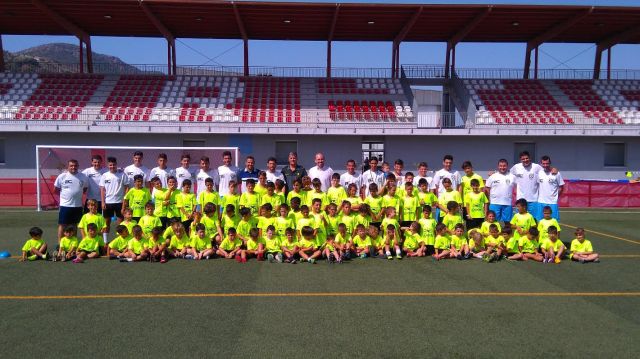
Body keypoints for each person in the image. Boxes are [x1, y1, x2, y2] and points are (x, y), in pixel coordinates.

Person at [54, 159, 88, 242]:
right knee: (62, 225)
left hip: (77, 206)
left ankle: (73, 244)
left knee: (74, 225)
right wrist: (65, 197)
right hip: (65, 206)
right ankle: (60, 244)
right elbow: (55, 190)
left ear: (78, 166)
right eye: (71, 166)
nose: (73, 167)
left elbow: (84, 189)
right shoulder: (62, 176)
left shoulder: (83, 176)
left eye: (75, 165)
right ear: (68, 166)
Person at [100, 156, 129, 242]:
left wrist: (125, 200)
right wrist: (103, 202)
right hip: (108, 203)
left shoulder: (122, 174)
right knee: (106, 224)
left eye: (114, 165)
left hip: (119, 202)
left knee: (120, 224)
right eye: (110, 165)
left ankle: (120, 242)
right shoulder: (105, 175)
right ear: (108, 165)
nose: (112, 166)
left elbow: (127, 187)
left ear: (116, 165)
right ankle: (105, 242)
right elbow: (102, 189)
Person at [510, 151, 542, 219]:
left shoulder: (536, 167)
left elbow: (546, 171)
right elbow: (506, 173)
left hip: (533, 200)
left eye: (527, 158)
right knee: (519, 219)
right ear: (520, 160)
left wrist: (553, 169)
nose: (525, 160)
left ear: (530, 158)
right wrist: (495, 173)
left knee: (534, 220)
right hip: (520, 200)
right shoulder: (516, 167)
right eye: (523, 159)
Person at [485, 159, 516, 223]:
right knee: (493, 222)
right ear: (498, 166)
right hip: (494, 203)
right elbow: (487, 188)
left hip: (507, 203)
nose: (502, 167)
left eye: (504, 166)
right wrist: (489, 199)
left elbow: (517, 188)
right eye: (500, 166)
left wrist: (515, 199)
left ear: (507, 166)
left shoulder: (512, 176)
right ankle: (493, 233)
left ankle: (506, 233)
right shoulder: (493, 176)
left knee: (507, 223)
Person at [536, 155, 565, 221]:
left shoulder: (556, 173)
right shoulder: (539, 173)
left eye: (547, 163)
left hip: (552, 202)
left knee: (554, 223)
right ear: (541, 164)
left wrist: (556, 197)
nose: (545, 165)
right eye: (543, 163)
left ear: (550, 163)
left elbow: (561, 187)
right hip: (541, 202)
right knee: (540, 222)